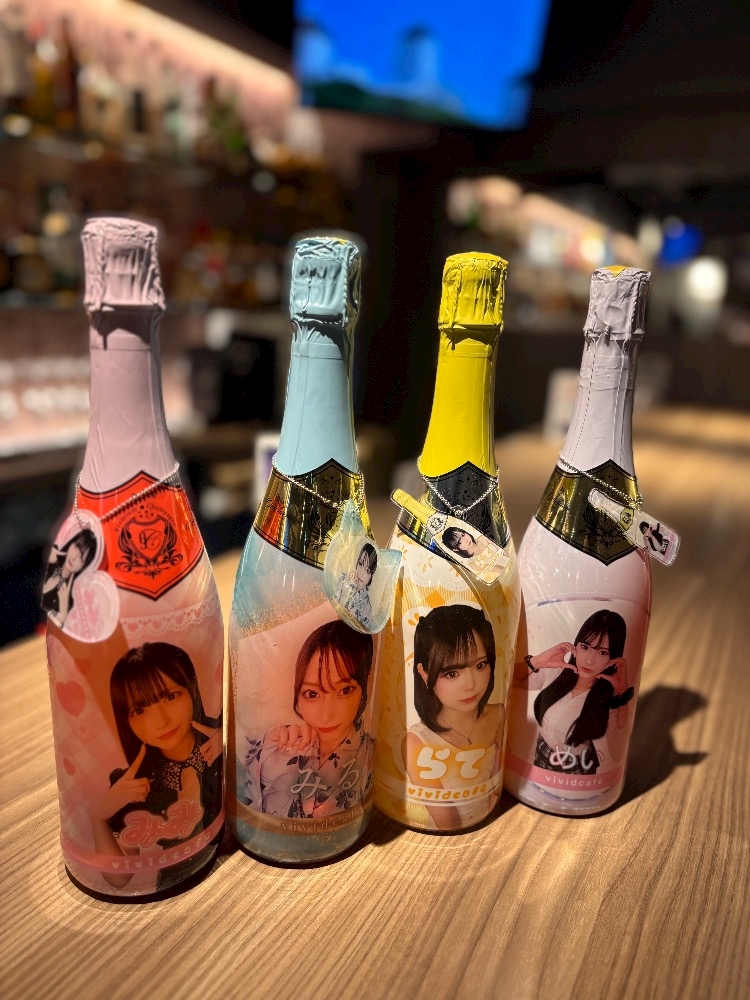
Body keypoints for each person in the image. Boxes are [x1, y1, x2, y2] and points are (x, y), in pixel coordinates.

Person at [90, 642, 222, 888]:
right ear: (126, 720)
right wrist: (98, 817)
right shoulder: (135, 784)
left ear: (192, 689)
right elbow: (118, 878)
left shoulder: (221, 735)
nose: (160, 721)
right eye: (140, 710)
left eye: (170, 697)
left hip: (233, 865)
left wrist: (233, 743)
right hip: (180, 884)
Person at [242, 620, 375, 819]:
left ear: (363, 691)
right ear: (298, 698)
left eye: (345, 690)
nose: (326, 716)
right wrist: (267, 753)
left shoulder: (370, 754)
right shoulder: (279, 746)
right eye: (312, 694)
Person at [403, 604, 504, 831]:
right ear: (424, 673)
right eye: (452, 673)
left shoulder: (498, 714)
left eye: (480, 665)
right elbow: (448, 822)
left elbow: (494, 790)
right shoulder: (417, 743)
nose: (470, 684)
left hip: (493, 828)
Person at [513, 609, 634, 775]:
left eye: (602, 652)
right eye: (585, 647)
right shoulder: (555, 673)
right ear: (575, 646)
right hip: (542, 753)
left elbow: (616, 751)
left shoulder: (611, 698)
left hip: (579, 767)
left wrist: (622, 694)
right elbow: (508, 681)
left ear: (614, 658)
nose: (589, 660)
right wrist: (538, 661)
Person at [41, 527, 97, 629]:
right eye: (76, 546)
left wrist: (63, 615)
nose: (74, 557)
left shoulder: (73, 594)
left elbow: (53, 626)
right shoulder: (53, 559)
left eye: (81, 557)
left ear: (84, 566)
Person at [335, 542, 377, 629]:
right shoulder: (344, 581)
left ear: (371, 575)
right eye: (361, 564)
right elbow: (332, 603)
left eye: (367, 571)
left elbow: (363, 631)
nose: (361, 573)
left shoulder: (367, 607)